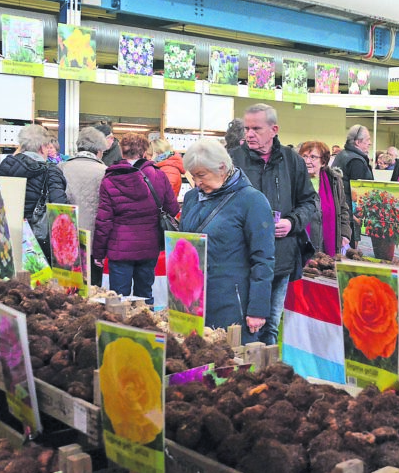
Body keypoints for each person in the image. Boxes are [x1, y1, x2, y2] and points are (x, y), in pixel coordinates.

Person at [229, 103, 318, 345]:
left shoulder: (292, 162)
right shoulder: (232, 161)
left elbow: (310, 202)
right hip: (242, 258)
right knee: (239, 328)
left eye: (256, 128)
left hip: (281, 257)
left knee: (270, 327)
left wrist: (292, 223)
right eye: (247, 128)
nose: (249, 134)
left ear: (274, 129)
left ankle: (266, 376)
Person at [180, 139, 275, 343]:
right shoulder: (191, 199)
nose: (197, 182)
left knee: (230, 366)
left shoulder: (252, 201)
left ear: (222, 168)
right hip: (191, 300)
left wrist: (257, 309)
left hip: (231, 303)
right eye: (193, 176)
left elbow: (263, 258)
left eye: (201, 175)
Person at [93, 133, 178, 304]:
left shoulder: (110, 179)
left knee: (118, 299)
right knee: (144, 296)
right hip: (149, 246)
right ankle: (146, 327)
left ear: (122, 152)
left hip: (120, 248)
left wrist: (99, 253)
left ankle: (120, 329)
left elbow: (104, 220)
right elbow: (173, 208)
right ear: (145, 151)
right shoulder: (158, 175)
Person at [0, 125, 68, 259]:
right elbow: (61, 208)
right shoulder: (51, 171)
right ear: (42, 147)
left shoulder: (6, 166)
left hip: (6, 236)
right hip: (36, 241)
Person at [60, 127, 108, 284]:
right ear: (99, 150)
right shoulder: (104, 171)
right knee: (92, 283)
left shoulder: (61, 168)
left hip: (65, 233)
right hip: (93, 236)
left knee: (67, 284)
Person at [299, 141, 351, 257]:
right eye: (304, 157)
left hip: (327, 245)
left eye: (313, 157)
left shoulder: (334, 181)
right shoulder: (294, 181)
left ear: (323, 162)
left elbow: (343, 210)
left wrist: (345, 234)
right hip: (301, 244)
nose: (307, 161)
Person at [332, 125, 374, 247]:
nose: (369, 143)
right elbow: (360, 193)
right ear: (357, 142)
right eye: (367, 140)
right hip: (350, 214)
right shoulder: (356, 161)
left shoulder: (341, 155)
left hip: (340, 209)